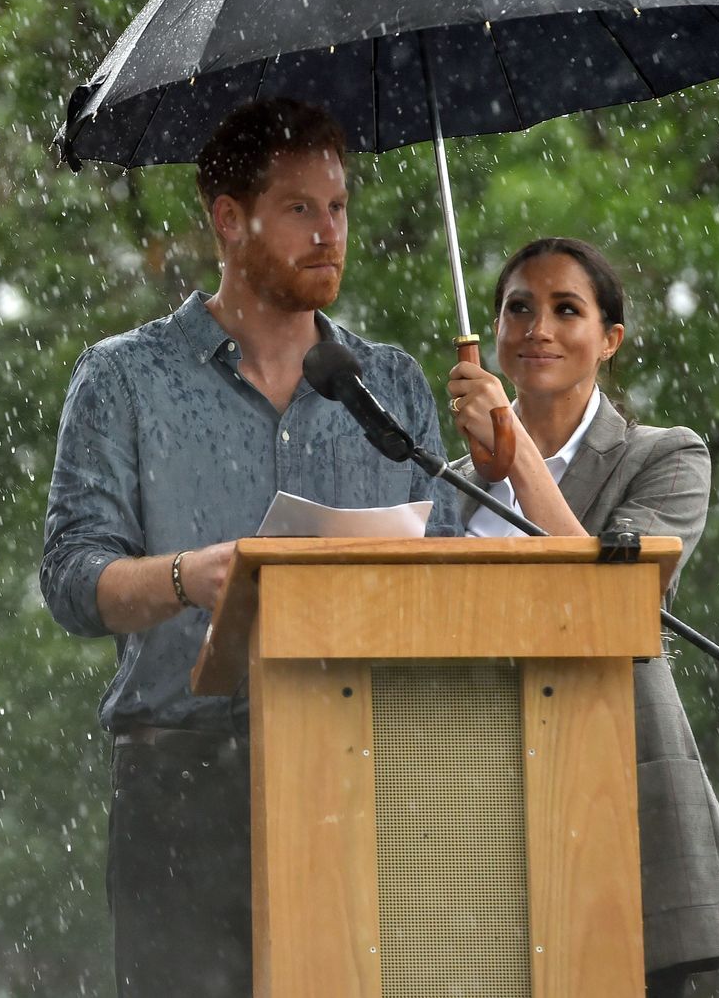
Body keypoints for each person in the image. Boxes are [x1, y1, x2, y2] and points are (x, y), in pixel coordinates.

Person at [40, 98, 461, 997]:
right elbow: (73, 577)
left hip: (362, 775)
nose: (329, 232)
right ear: (228, 219)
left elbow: (448, 580)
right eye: (300, 208)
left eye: (339, 207)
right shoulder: (122, 377)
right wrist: (193, 576)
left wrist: (497, 468)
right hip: (182, 782)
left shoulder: (386, 384)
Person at [447, 236, 719, 998]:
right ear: (490, 332)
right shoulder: (447, 486)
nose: (537, 328)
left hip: (611, 802)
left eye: (566, 309)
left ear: (609, 339)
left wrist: (513, 454)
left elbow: (603, 605)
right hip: (474, 806)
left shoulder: (665, 456)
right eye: (517, 308)